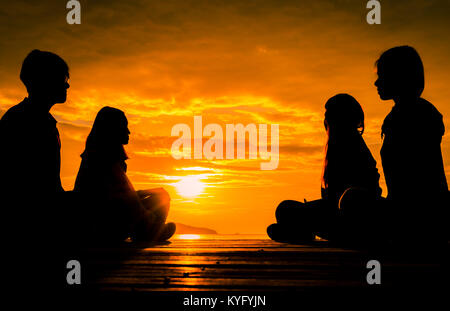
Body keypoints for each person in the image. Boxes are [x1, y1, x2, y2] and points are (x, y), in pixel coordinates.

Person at [267, 94, 382, 244]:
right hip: (331, 211)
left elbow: (368, 191)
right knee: (284, 208)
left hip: (350, 216)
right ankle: (301, 231)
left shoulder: (353, 146)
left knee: (287, 211)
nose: (326, 121)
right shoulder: (335, 147)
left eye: (330, 116)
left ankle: (302, 231)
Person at [0, 49, 71, 292]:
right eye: (63, 77)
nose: (67, 84)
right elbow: (37, 189)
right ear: (45, 80)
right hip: (31, 224)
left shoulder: (32, 118)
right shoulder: (28, 121)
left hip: (37, 215)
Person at [375, 46, 448, 244]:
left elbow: (416, 180)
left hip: (416, 215)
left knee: (352, 201)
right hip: (412, 211)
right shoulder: (404, 115)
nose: (376, 82)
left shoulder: (414, 115)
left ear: (398, 76)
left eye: (382, 76)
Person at [74, 106, 176, 243]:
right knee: (161, 197)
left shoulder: (103, 156)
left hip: (109, 217)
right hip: (101, 225)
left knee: (157, 196)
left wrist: (144, 194)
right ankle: (151, 231)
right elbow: (115, 198)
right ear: (112, 129)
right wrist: (146, 204)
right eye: (124, 127)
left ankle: (149, 229)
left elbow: (123, 195)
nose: (128, 131)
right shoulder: (101, 158)